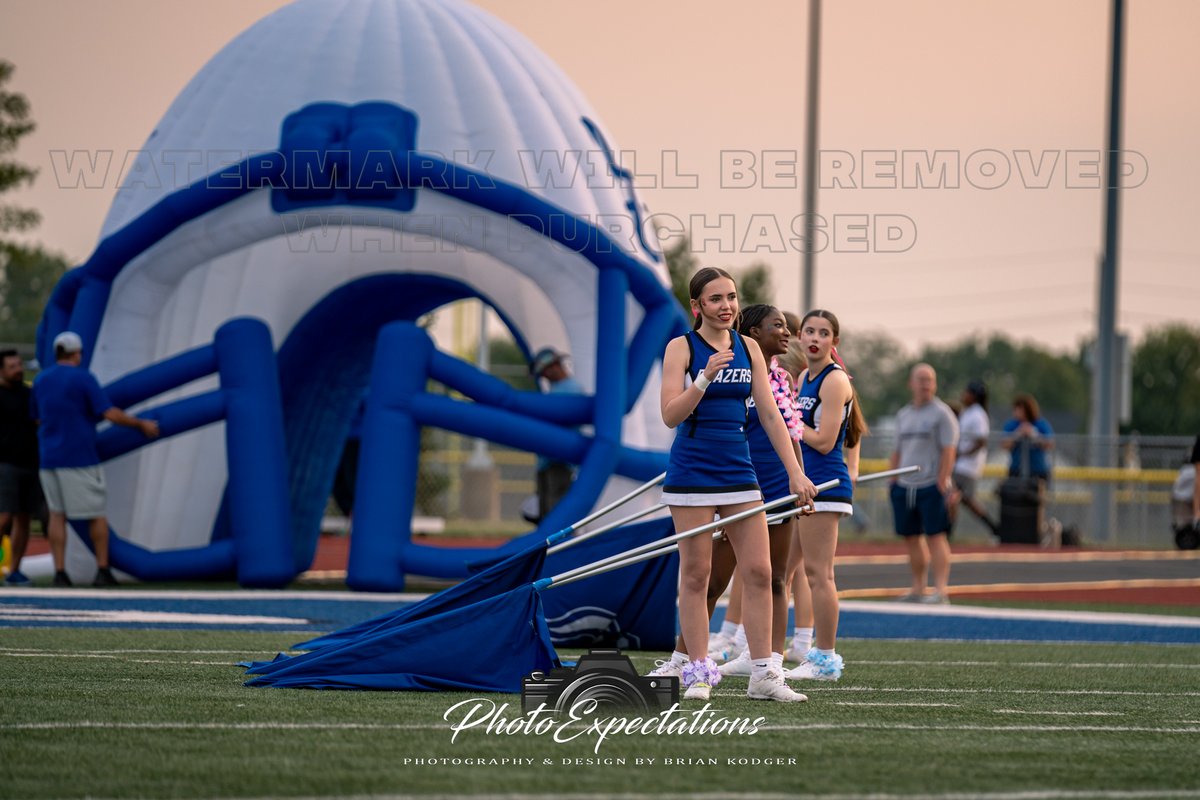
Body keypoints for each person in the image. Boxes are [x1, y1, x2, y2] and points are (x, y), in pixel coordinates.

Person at [653, 268, 816, 703]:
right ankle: (698, 672)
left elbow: (770, 414)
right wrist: (703, 377)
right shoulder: (681, 347)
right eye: (715, 299)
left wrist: (795, 472)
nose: (726, 306)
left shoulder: (749, 347)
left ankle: (763, 674)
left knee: (760, 572)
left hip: (739, 472)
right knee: (697, 575)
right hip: (692, 472)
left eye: (731, 297)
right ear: (697, 306)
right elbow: (670, 415)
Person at [31, 332, 160, 586]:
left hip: (49, 456)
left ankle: (60, 573)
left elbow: (36, 418)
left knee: (57, 515)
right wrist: (140, 424)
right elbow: (109, 412)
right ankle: (102, 569)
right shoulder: (83, 378)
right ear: (77, 353)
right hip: (78, 457)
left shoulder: (41, 379)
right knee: (96, 515)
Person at [783, 309, 867, 681]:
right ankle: (762, 653)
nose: (814, 339)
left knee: (819, 574)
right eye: (809, 332)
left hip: (826, 486)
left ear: (835, 341)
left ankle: (825, 659)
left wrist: (786, 420)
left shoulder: (834, 380)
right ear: (800, 337)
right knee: (780, 573)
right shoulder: (804, 376)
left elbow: (824, 440)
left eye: (823, 333)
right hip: (804, 485)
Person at [890, 363, 959, 604]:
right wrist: (893, 479)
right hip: (905, 486)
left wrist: (943, 479)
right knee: (911, 537)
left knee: (936, 536)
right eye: (921, 379)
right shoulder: (903, 415)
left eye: (930, 380)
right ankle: (918, 588)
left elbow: (949, 449)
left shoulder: (942, 414)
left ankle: (940, 590)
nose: (926, 384)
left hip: (931, 485)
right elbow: (897, 450)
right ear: (911, 383)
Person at [1, 349, 42, 585]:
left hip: (29, 463)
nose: (18, 370)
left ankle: (14, 570)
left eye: (19, 365)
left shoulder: (29, 394)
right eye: (12, 366)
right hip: (5, 464)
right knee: (4, 516)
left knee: (23, 518)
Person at [529, 347, 582, 521]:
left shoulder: (571, 390)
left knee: (555, 510)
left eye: (546, 371)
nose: (545, 376)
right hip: (548, 460)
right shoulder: (558, 390)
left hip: (560, 461)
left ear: (555, 366)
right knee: (546, 509)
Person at [950, 380, 998, 536]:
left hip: (966, 466)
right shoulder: (969, 412)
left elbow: (981, 441)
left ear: (974, 396)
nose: (963, 395)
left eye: (967, 392)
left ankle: (946, 531)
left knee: (951, 495)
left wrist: (961, 454)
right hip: (961, 465)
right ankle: (995, 528)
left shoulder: (978, 414)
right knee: (966, 499)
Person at [1002, 393, 1055, 484]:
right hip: (1016, 469)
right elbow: (1004, 445)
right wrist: (1017, 434)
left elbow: (1050, 444)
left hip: (1038, 470)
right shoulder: (1011, 425)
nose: (1015, 412)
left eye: (1018, 409)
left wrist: (1035, 435)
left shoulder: (1041, 424)